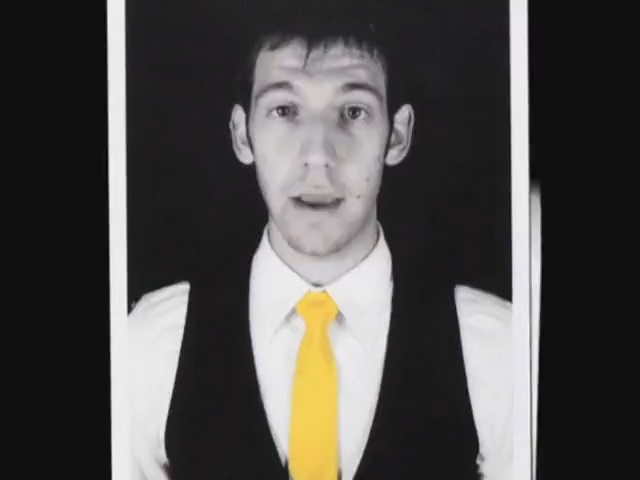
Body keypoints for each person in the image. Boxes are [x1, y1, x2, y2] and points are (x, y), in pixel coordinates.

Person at [128, 3, 536, 479]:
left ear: (396, 135)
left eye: (353, 112)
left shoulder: (497, 351)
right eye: (285, 110)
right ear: (242, 135)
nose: (318, 155)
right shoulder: (152, 346)